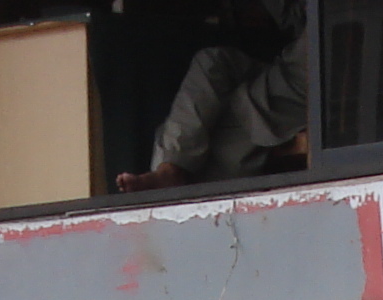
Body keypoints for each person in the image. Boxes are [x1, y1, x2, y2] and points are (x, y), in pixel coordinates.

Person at [115, 0, 305, 191]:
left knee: (229, 111)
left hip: (307, 74)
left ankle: (174, 170)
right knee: (211, 65)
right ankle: (173, 168)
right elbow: (293, 15)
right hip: (289, 61)